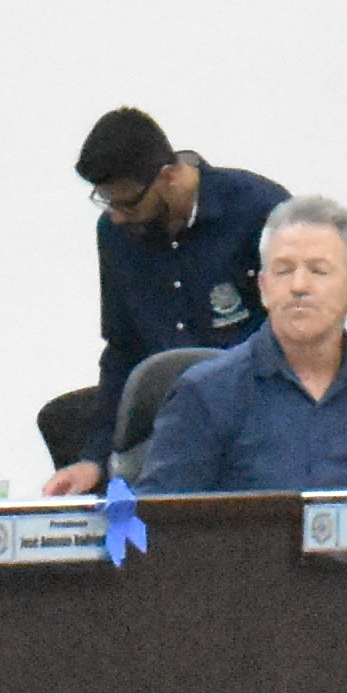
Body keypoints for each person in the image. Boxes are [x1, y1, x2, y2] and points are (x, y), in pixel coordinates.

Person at [134, 198, 347, 496]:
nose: (299, 286)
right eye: (283, 271)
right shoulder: (205, 395)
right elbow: (159, 522)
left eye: (318, 270)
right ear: (263, 288)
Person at [57, 109, 286, 497]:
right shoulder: (115, 235)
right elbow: (123, 349)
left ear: (168, 176)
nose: (117, 218)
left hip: (261, 432)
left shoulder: (260, 210)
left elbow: (299, 332)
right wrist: (94, 458)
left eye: (128, 204)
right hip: (166, 439)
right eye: (106, 203)